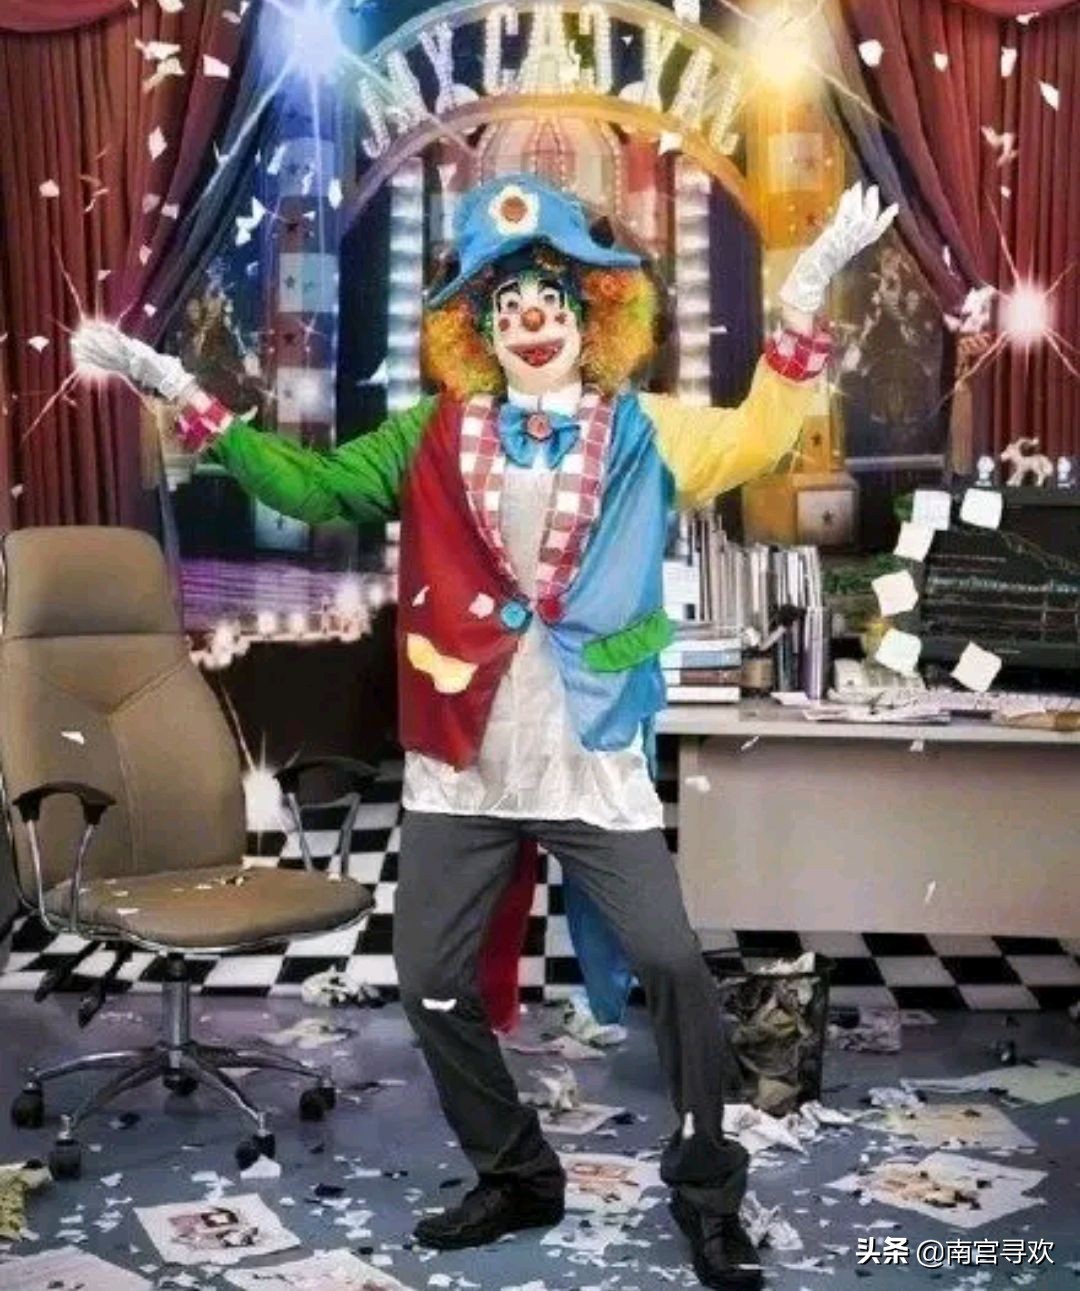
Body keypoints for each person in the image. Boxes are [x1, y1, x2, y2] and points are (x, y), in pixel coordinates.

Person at [73, 173, 894, 1290]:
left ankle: (707, 1188)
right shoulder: (432, 433)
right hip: (462, 758)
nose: (531, 318)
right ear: (480, 328)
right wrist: (184, 394)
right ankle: (514, 1167)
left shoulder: (644, 428)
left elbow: (760, 432)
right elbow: (311, 490)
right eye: (508, 305)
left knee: (672, 964)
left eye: (550, 297)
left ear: (591, 314)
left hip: (588, 752)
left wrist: (801, 300)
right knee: (429, 977)